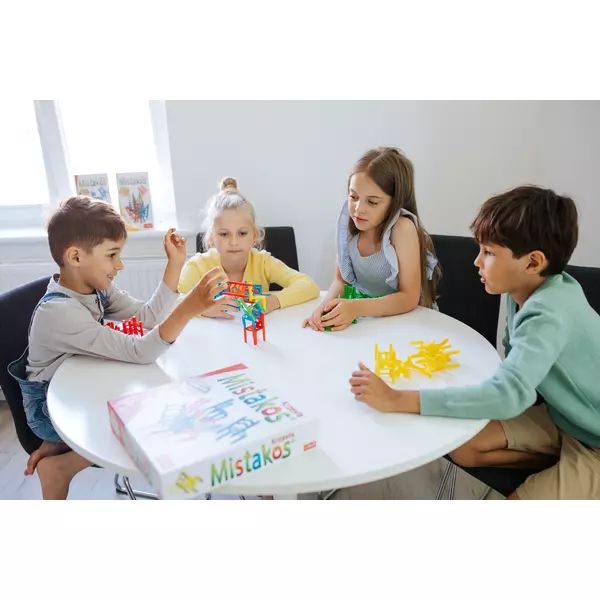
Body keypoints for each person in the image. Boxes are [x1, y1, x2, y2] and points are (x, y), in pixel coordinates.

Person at [349, 185, 600, 499]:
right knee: (464, 446)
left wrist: (399, 399)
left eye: (489, 253)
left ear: (532, 262)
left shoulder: (548, 313)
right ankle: (556, 464)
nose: (477, 262)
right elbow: (515, 370)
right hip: (565, 417)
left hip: (595, 440)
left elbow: (509, 395)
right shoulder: (525, 290)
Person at [8, 196, 226, 499]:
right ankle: (61, 467)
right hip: (51, 408)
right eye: (112, 255)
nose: (119, 265)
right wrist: (187, 309)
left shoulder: (95, 288)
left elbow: (148, 317)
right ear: (75, 256)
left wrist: (174, 263)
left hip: (79, 385)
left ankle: (58, 451)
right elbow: (140, 351)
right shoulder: (60, 312)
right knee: (145, 420)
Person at [303, 147, 440, 332]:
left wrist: (357, 308)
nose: (358, 209)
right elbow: (341, 281)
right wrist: (322, 310)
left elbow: (409, 297)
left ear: (395, 202)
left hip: (408, 324)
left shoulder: (402, 228)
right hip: (369, 323)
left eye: (373, 202)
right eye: (353, 196)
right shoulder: (348, 225)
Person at [178, 177, 319, 318]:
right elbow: (174, 303)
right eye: (224, 234)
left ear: (254, 236)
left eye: (242, 233)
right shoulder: (197, 266)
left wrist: (273, 301)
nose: (234, 242)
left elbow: (308, 285)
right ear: (211, 238)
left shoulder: (263, 262)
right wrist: (202, 309)